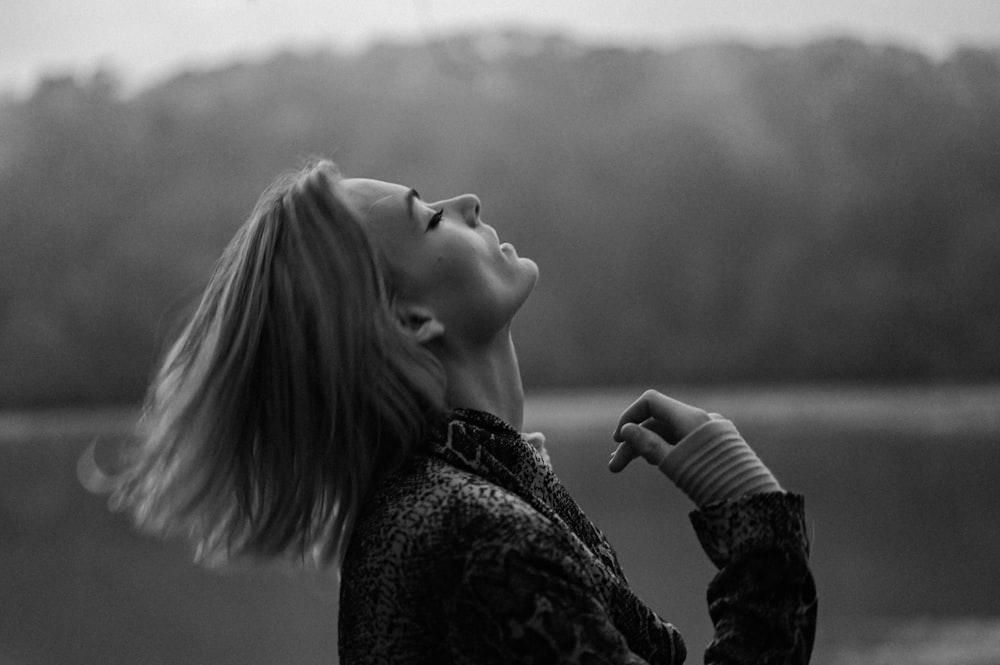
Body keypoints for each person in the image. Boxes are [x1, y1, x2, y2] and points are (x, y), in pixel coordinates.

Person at [99, 159, 816, 664]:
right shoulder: (477, 535)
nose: (468, 201)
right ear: (410, 320)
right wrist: (757, 526)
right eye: (432, 216)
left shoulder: (447, 503)